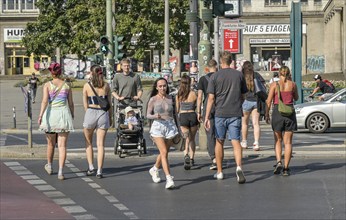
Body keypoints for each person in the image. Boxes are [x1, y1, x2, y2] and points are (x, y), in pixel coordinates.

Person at [204, 51, 248, 183]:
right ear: (231, 61)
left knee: (219, 141)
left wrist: (206, 117)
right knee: (236, 141)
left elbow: (211, 98)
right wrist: (238, 102)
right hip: (235, 112)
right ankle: (239, 167)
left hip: (220, 113)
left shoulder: (215, 76)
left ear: (221, 62)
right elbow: (244, 95)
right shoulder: (239, 75)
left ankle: (219, 171)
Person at [38, 63, 74, 180]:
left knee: (50, 144)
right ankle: (61, 172)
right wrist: (72, 114)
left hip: (51, 115)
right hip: (63, 115)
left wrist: (40, 115)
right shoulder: (67, 86)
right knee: (62, 146)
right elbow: (71, 103)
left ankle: (49, 165)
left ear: (51, 72)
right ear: (60, 72)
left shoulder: (47, 85)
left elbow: (44, 101)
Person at [265, 66, 298, 176]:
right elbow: (296, 98)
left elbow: (268, 101)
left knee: (278, 140)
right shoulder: (293, 84)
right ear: (289, 73)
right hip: (290, 113)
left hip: (277, 113)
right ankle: (286, 168)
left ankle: (279, 161)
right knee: (288, 142)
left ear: (279, 73)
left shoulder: (274, 85)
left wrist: (266, 114)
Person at [146, 77, 179, 189]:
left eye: (164, 86)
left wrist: (179, 129)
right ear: (156, 87)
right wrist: (155, 116)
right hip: (158, 126)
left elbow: (175, 115)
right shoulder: (153, 99)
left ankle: (155, 169)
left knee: (164, 153)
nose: (162, 88)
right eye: (160, 86)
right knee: (164, 151)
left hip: (170, 126)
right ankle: (168, 178)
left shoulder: (171, 98)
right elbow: (147, 115)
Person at [82, 65, 112, 179]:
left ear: (91, 73)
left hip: (91, 111)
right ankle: (99, 170)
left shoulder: (86, 86)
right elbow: (109, 104)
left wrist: (88, 114)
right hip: (103, 113)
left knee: (88, 142)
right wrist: (110, 116)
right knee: (101, 145)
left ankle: (91, 167)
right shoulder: (106, 86)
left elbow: (85, 104)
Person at [196, 58, 218, 170]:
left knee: (210, 134)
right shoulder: (219, 76)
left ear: (207, 69)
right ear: (216, 67)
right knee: (219, 134)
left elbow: (199, 97)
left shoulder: (203, 79)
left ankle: (213, 158)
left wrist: (199, 111)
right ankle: (219, 156)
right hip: (219, 106)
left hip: (207, 108)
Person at [240, 61, 266, 151]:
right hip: (256, 101)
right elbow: (263, 86)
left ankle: (244, 142)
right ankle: (256, 143)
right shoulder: (256, 75)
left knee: (244, 123)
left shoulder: (241, 75)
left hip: (245, 100)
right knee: (256, 123)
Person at [176, 75, 199, 170]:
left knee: (185, 138)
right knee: (192, 139)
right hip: (192, 115)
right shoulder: (194, 93)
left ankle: (186, 154)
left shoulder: (179, 94)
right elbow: (197, 106)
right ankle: (192, 158)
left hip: (183, 116)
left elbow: (177, 109)